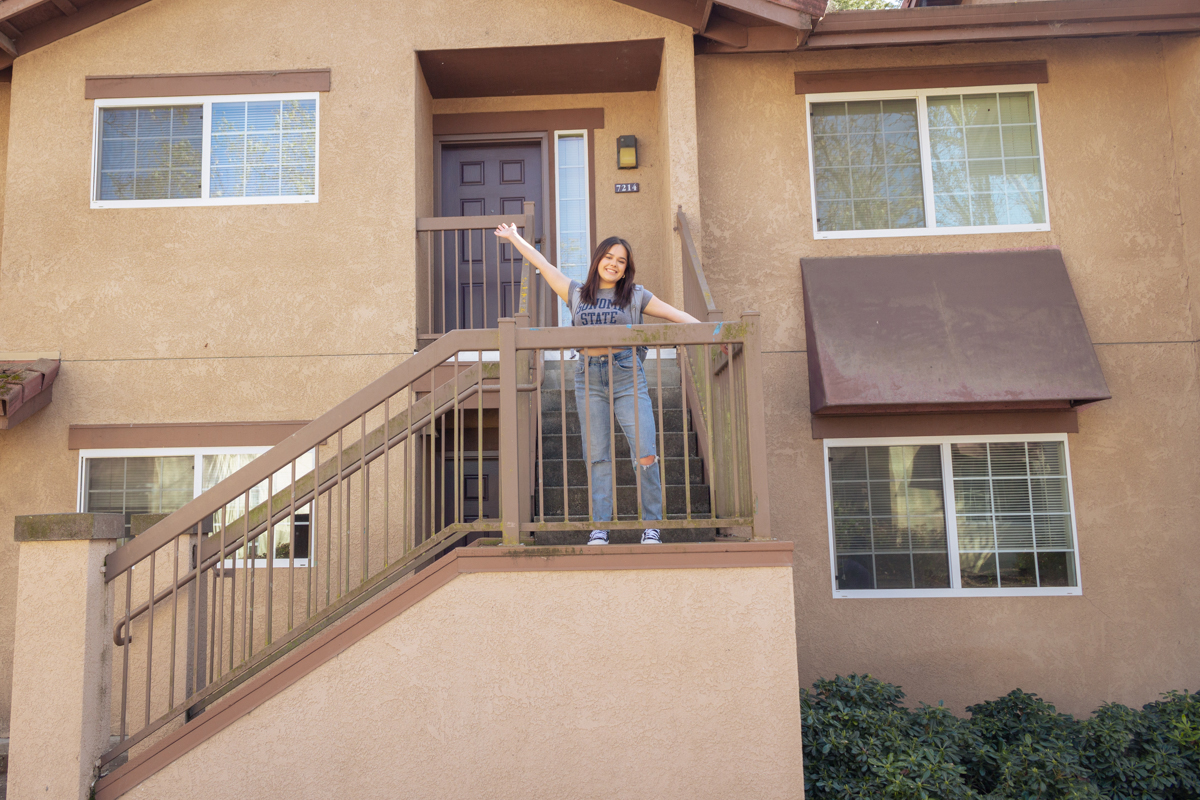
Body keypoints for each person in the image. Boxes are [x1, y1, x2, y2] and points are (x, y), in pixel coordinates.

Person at [494, 224, 700, 545]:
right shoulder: (576, 293)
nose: (614, 264)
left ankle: (651, 526)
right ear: (597, 260)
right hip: (588, 378)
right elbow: (543, 265)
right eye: (608, 257)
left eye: (621, 261)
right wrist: (513, 237)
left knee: (645, 452)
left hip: (627, 375)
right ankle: (600, 527)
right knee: (598, 455)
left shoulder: (634, 295)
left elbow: (675, 315)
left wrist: (717, 334)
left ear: (626, 269)